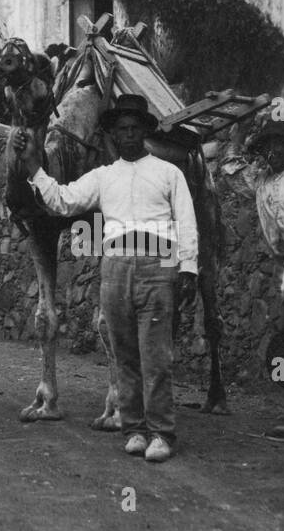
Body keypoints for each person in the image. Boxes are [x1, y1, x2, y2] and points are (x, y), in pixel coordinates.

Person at [14, 93, 199, 463]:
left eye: (135, 129)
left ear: (144, 133)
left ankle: (161, 433)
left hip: (156, 268)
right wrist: (34, 166)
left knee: (157, 356)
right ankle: (134, 429)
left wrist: (189, 268)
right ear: (113, 136)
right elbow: (63, 201)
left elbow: (187, 222)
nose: (129, 135)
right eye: (122, 130)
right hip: (114, 271)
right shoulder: (102, 177)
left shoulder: (168, 173)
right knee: (125, 354)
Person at [222, 118, 284, 440]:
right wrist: (236, 138)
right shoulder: (262, 180)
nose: (274, 152)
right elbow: (230, 171)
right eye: (268, 147)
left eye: (280, 145)